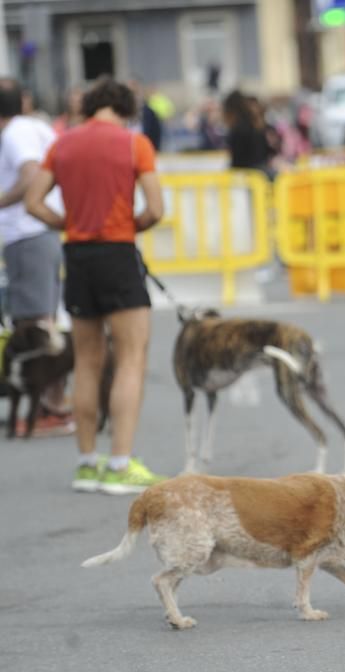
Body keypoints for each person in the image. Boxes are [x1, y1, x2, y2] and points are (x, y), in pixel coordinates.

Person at [25, 77, 167, 495]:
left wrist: (65, 224)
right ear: (125, 110)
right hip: (118, 254)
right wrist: (131, 225)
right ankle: (121, 462)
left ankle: (87, 462)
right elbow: (156, 208)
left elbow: (34, 200)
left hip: (78, 256)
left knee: (86, 359)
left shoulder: (62, 143)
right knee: (130, 357)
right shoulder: (132, 144)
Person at [0, 78, 75, 437]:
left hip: (27, 234)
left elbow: (30, 178)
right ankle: (53, 403)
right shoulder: (35, 126)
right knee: (47, 322)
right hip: (41, 233)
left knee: (33, 328)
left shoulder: (14, 134)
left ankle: (51, 407)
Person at [222, 90, 274, 177]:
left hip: (249, 176)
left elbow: (238, 161)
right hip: (261, 173)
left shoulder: (239, 129)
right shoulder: (256, 125)